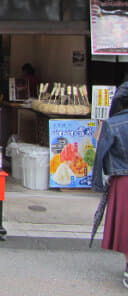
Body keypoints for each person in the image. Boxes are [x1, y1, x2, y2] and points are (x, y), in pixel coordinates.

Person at [92, 81, 128, 289]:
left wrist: (97, 184)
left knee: (125, 228)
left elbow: (101, 157)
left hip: (123, 180)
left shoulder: (113, 124)